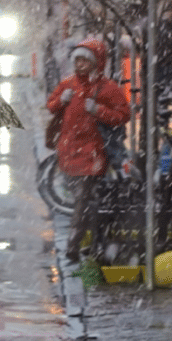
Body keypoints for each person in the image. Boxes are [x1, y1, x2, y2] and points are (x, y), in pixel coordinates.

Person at [46, 37, 130, 262]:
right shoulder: (68, 84)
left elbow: (123, 115)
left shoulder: (107, 88)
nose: (79, 64)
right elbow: (51, 106)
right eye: (77, 60)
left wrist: (99, 110)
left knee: (83, 201)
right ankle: (93, 244)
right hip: (68, 151)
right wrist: (60, 101)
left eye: (84, 60)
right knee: (83, 202)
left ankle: (73, 247)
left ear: (95, 63)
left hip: (93, 153)